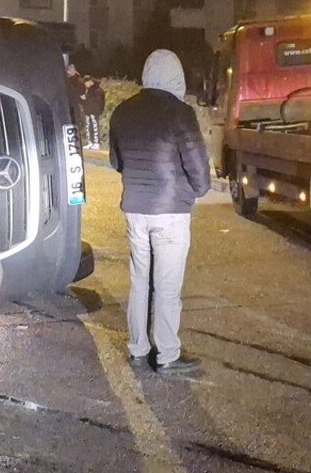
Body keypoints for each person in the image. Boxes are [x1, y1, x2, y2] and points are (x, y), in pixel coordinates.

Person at [108, 49, 211, 375]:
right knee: (166, 286)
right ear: (176, 77)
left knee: (140, 281)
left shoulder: (123, 111)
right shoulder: (180, 113)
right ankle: (167, 354)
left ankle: (138, 348)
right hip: (171, 212)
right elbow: (198, 167)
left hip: (136, 209)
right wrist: (195, 191)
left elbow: (116, 161)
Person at [81, 76, 106, 150]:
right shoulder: (88, 90)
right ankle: (90, 142)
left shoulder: (98, 90)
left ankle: (96, 143)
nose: (85, 84)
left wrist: (86, 98)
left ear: (90, 82)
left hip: (94, 112)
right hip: (88, 111)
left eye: (86, 83)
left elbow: (99, 102)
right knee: (88, 127)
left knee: (95, 127)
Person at [65, 62, 86, 138]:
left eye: (70, 70)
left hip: (76, 104)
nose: (68, 71)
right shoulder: (67, 80)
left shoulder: (79, 80)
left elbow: (81, 92)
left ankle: (76, 137)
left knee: (76, 121)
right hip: (69, 103)